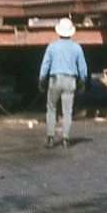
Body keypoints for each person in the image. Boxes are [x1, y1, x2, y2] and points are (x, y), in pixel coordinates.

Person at [39, 18, 88, 148]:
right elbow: (82, 67)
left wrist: (41, 80)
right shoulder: (77, 47)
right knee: (67, 111)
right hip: (70, 80)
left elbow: (45, 65)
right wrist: (82, 81)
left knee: (51, 108)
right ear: (71, 32)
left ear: (58, 31)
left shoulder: (52, 47)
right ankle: (66, 138)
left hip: (55, 79)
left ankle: (50, 137)